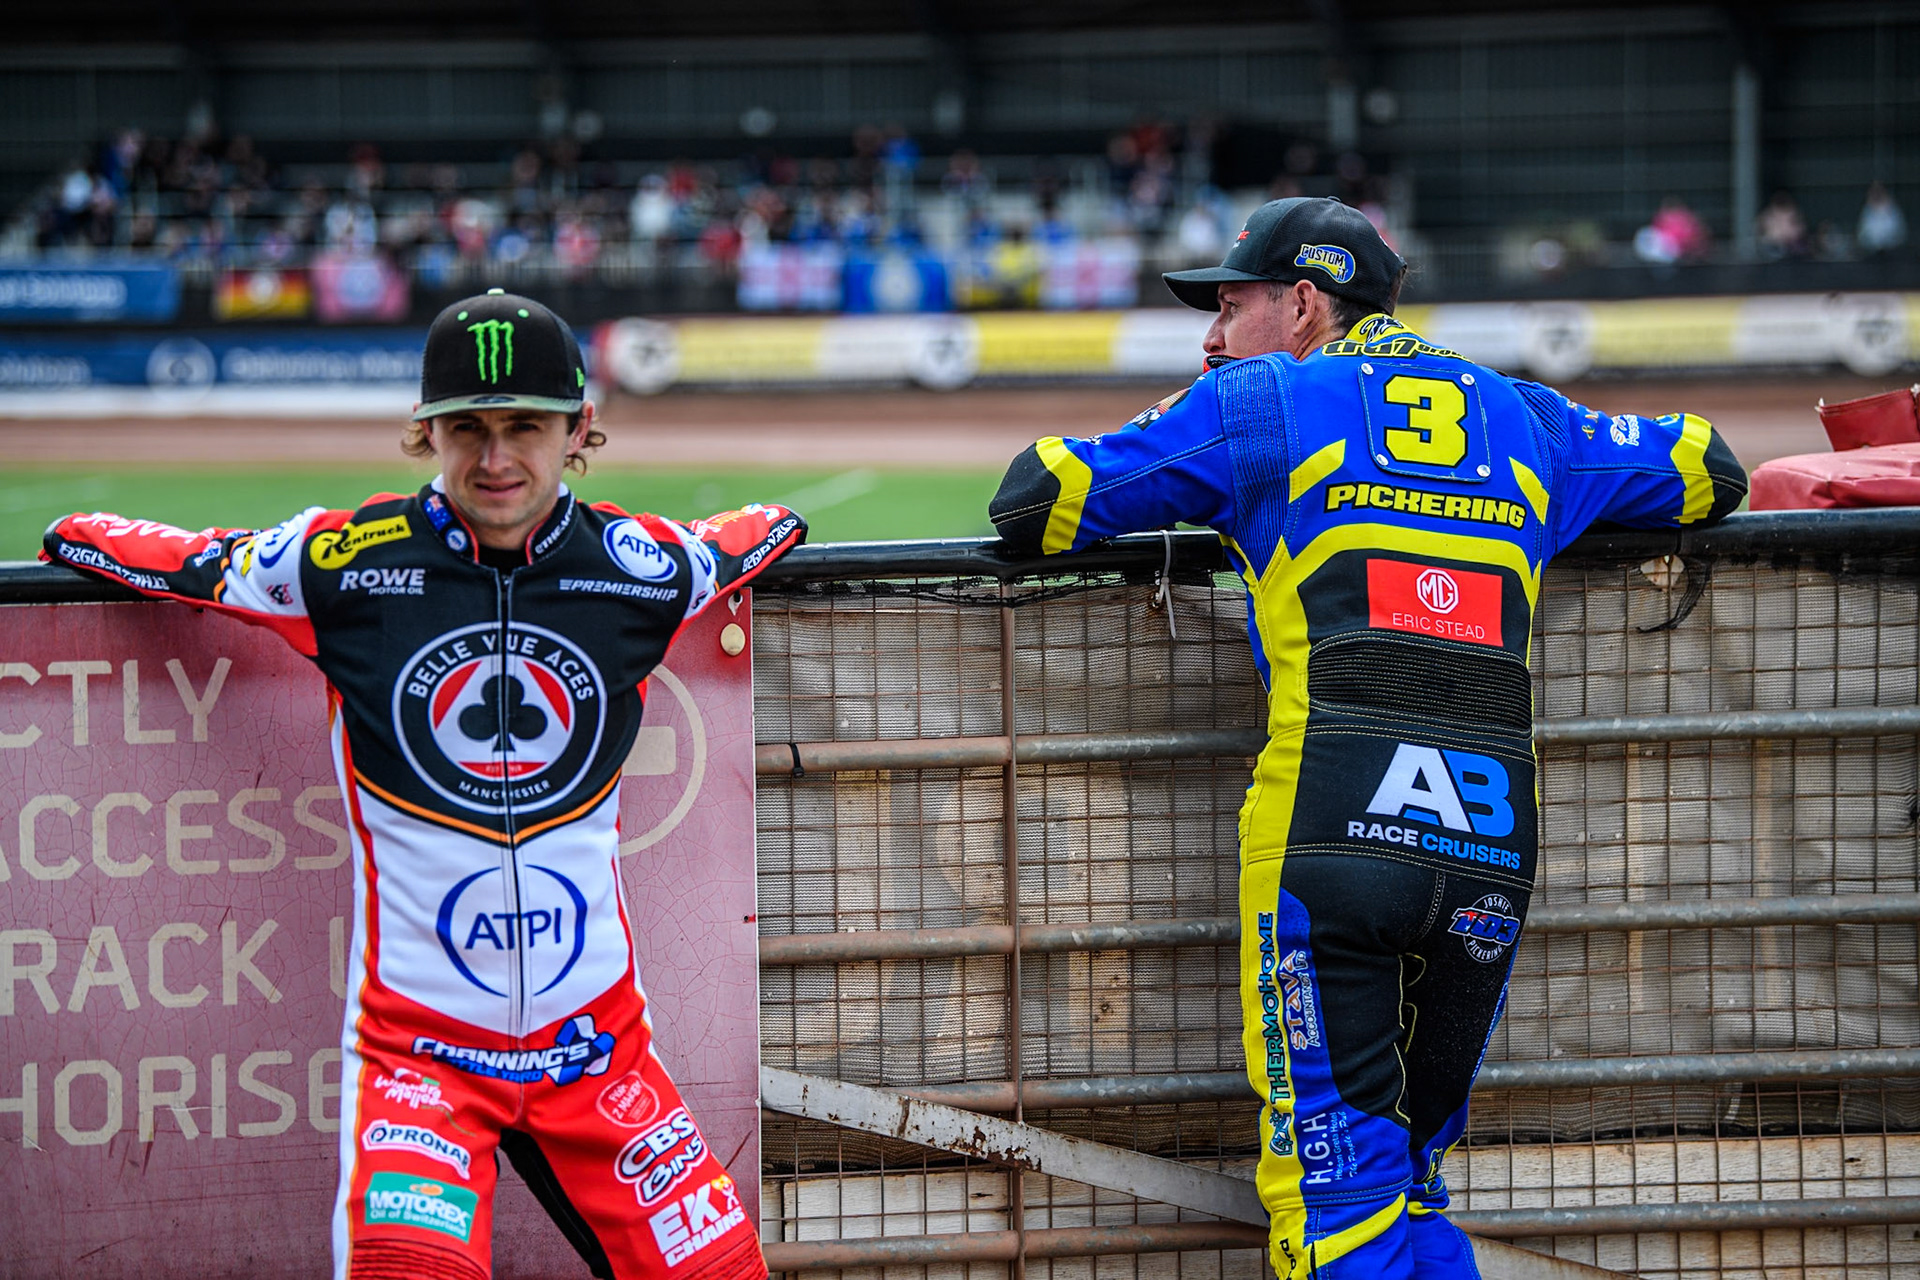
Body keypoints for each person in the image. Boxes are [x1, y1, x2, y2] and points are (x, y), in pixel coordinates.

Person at [987, 198, 1747, 1279]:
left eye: (1230, 306)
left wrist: (1200, 415)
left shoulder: (1263, 401)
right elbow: (1712, 468)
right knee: (1414, 1188)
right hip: (1488, 847)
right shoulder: (1525, 415)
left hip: (1329, 834)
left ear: (1303, 304)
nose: (1211, 335)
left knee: (1338, 1205)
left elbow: (1039, 498)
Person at [43, 290, 806, 1280]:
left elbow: (752, 533)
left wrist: (783, 519)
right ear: (425, 432)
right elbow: (192, 562)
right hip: (422, 1064)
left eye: (524, 427)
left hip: (601, 1059)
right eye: (467, 429)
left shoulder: (644, 566)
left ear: (578, 430)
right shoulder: (338, 562)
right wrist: (72, 532)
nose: (494, 459)